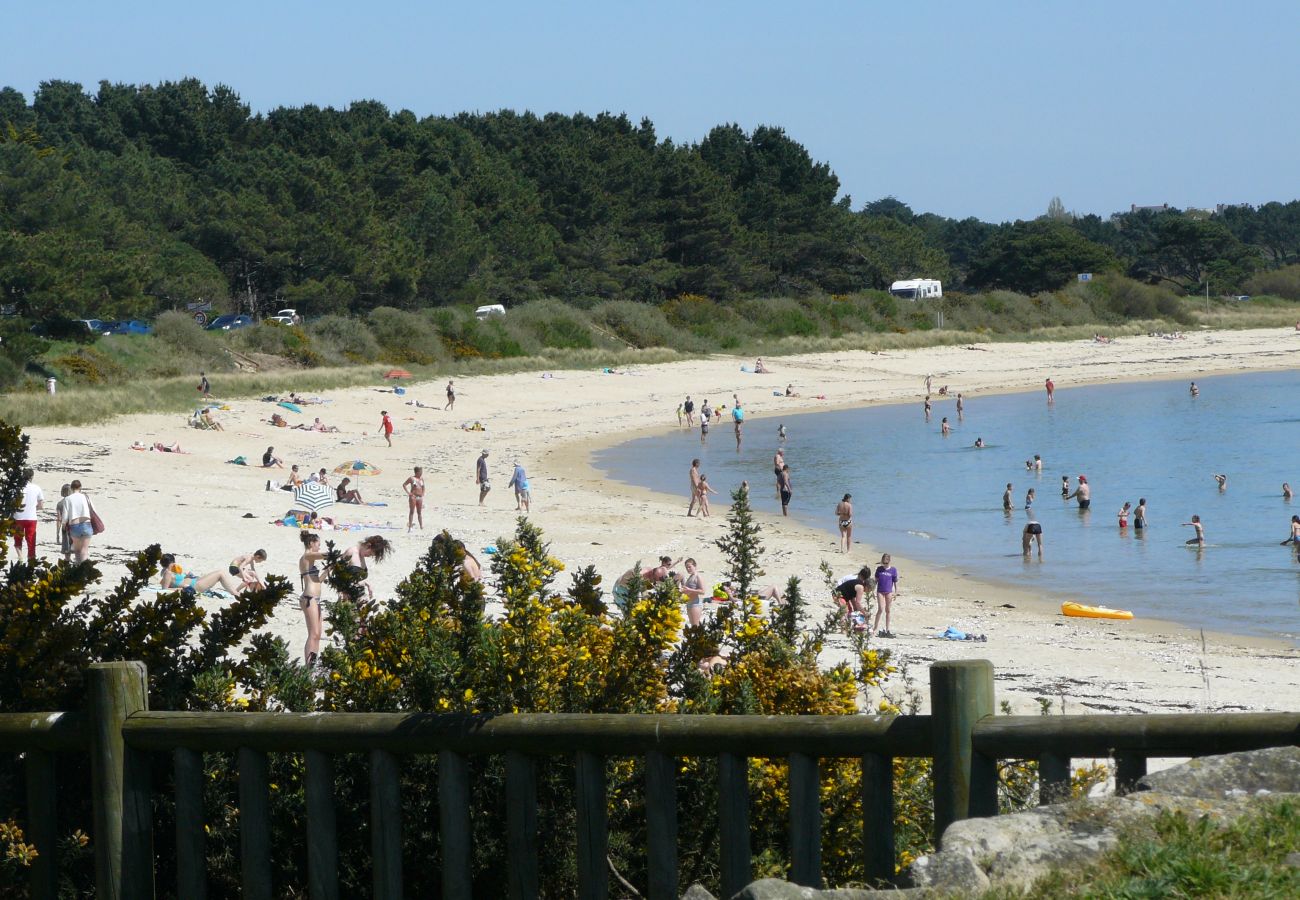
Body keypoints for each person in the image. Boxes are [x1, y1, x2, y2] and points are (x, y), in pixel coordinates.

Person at [297, 533, 328, 665]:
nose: (319, 547)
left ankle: (312, 665)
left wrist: (327, 570)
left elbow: (318, 581)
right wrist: (340, 555)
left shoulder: (311, 561)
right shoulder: (307, 556)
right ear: (311, 543)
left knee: (317, 635)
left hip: (316, 598)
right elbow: (325, 555)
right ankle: (308, 666)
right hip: (309, 598)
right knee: (313, 633)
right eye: (318, 544)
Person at [338, 536, 393, 601]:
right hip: (347, 596)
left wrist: (368, 585)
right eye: (370, 553)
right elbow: (338, 573)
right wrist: (342, 593)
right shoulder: (351, 552)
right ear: (368, 545)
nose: (369, 556)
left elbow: (356, 577)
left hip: (359, 595)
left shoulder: (361, 556)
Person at [12, 468, 43, 562]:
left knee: (17, 538)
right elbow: (41, 505)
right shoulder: (37, 488)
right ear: (32, 477)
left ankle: (20, 557)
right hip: (31, 517)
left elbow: (12, 502)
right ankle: (31, 559)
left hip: (18, 516)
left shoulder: (17, 488)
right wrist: (33, 508)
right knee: (31, 539)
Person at [62, 480, 95, 563]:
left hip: (74, 525)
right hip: (86, 524)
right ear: (80, 487)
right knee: (84, 550)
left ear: (71, 488)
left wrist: (63, 525)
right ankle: (84, 569)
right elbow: (93, 510)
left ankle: (79, 568)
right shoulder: (86, 497)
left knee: (77, 550)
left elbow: (65, 516)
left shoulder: (67, 499)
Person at [835, 567, 874, 632]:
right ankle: (843, 629)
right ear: (867, 586)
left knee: (850, 610)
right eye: (869, 590)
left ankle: (848, 626)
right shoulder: (860, 587)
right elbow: (858, 602)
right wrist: (864, 613)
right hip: (839, 594)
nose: (868, 592)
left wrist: (857, 609)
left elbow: (852, 596)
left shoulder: (859, 583)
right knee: (845, 610)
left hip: (845, 595)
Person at [872, 554, 900, 638]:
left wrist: (896, 592)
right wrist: (873, 591)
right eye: (883, 562)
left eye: (886, 562)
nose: (884, 563)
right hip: (880, 591)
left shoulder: (893, 570)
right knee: (880, 609)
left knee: (888, 610)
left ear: (889, 561)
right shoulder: (879, 569)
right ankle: (875, 628)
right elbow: (875, 581)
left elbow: (895, 582)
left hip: (889, 592)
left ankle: (887, 629)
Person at [681, 558, 707, 626]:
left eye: (689, 567)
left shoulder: (698, 576)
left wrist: (689, 590)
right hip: (689, 603)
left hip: (696, 603)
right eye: (686, 567)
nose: (688, 569)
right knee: (693, 626)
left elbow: (703, 591)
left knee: (695, 626)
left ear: (694, 566)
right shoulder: (690, 577)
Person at [403, 466, 425, 531]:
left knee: (419, 512)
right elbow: (404, 484)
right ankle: (410, 527)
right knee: (412, 511)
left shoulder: (421, 479)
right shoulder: (412, 478)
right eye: (421, 471)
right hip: (413, 496)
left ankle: (421, 526)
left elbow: (423, 487)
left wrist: (423, 493)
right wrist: (408, 492)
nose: (421, 473)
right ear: (417, 472)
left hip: (420, 497)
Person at [54, 483, 73, 562]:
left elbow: (59, 519)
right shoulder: (74, 501)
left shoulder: (60, 503)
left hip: (65, 526)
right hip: (75, 525)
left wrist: (57, 533)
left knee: (66, 546)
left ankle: (68, 559)